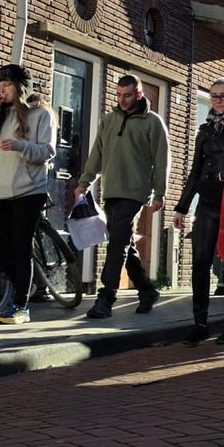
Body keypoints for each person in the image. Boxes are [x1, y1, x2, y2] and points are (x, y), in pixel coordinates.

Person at [77, 74, 169, 319]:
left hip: (135, 192)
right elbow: (96, 154)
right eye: (118, 95)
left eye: (127, 95)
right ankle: (147, 290)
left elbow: (161, 161)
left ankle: (106, 297)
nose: (122, 100)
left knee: (117, 243)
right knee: (123, 243)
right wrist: (84, 183)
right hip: (111, 190)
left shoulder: (152, 122)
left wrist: (159, 193)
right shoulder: (108, 120)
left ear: (139, 94)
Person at [0, 64, 57, 324]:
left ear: (20, 87)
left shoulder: (40, 115)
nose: (1, 90)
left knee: (20, 246)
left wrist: (20, 145)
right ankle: (26, 284)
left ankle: (22, 306)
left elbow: (47, 152)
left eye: (6, 85)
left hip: (29, 190)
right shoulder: (0, 114)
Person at [174, 79, 224, 346]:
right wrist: (182, 207)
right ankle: (200, 323)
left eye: (223, 96)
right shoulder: (205, 130)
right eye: (214, 96)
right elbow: (195, 170)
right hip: (207, 202)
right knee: (200, 262)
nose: (217, 100)